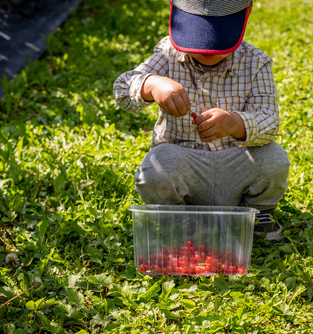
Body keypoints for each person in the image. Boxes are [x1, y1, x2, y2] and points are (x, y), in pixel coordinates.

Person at [113, 0, 290, 241]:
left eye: (219, 39)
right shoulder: (167, 54)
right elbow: (123, 88)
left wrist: (233, 123)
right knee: (156, 168)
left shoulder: (255, 62)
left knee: (274, 158)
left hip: (234, 167)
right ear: (173, 11)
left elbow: (269, 122)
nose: (206, 50)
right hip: (185, 168)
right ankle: (176, 218)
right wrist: (152, 84)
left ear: (246, 13)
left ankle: (258, 212)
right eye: (197, 38)